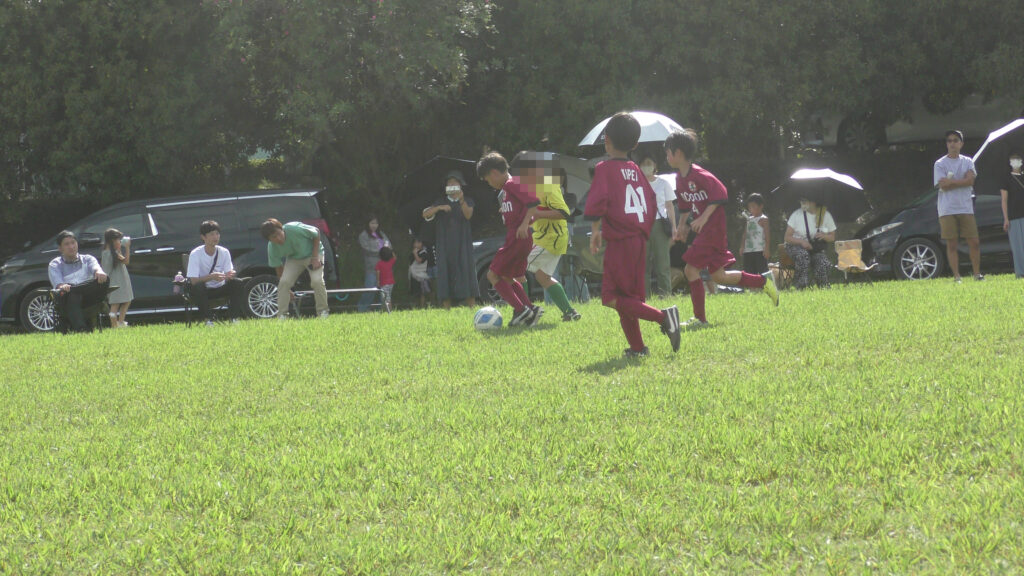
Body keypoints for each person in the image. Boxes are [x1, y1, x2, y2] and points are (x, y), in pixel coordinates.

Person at [585, 112, 681, 357]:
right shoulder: (636, 170)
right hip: (639, 240)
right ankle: (638, 348)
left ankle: (664, 317)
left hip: (621, 242)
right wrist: (643, 232)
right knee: (626, 298)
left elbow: (598, 200)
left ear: (606, 140)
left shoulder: (604, 168)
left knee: (609, 297)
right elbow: (651, 201)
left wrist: (595, 229)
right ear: (636, 144)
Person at [666, 130, 778, 328]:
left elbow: (721, 194)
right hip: (706, 232)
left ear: (679, 153)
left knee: (690, 269)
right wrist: (682, 226)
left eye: (668, 152)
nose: (666, 156)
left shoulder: (700, 174)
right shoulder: (679, 179)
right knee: (719, 276)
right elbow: (684, 207)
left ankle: (700, 319)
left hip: (713, 231)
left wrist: (703, 218)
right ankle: (764, 282)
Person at [477, 152, 543, 326]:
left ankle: (521, 310)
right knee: (507, 277)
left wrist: (524, 223)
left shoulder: (512, 183)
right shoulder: (508, 188)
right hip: (520, 239)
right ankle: (530, 310)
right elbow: (521, 206)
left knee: (492, 275)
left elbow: (534, 202)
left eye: (488, 180)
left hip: (517, 238)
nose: (490, 184)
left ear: (494, 173)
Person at [520, 158, 582, 322]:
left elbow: (564, 213)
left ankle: (525, 312)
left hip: (552, 238)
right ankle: (570, 312)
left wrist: (538, 214)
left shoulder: (549, 187)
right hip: (543, 237)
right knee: (543, 277)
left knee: (518, 266)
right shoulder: (529, 190)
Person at [422, 171, 479, 309]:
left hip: (463, 243)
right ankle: (446, 307)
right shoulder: (440, 201)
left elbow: (468, 215)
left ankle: (471, 305)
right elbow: (425, 214)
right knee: (445, 272)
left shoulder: (467, 200)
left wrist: (461, 199)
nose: (452, 185)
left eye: (455, 182)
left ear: (461, 185)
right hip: (444, 244)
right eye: (449, 183)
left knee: (466, 270)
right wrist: (439, 208)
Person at [934, 129, 982, 282]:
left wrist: (952, 182)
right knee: (952, 244)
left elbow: (970, 181)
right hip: (947, 209)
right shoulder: (940, 164)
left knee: (974, 242)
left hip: (965, 207)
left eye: (955, 140)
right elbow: (942, 185)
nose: (952, 143)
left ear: (961, 143)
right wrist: (961, 182)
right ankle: (957, 277)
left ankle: (977, 274)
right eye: (949, 141)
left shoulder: (968, 161)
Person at [260, 218, 328, 318]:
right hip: (294, 259)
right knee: (283, 283)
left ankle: (323, 312)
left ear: (282, 229)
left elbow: (316, 233)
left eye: (279, 233)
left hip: (313, 254)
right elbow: (278, 268)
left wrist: (315, 257)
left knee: (317, 281)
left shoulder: (294, 228)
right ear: (269, 239)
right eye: (274, 237)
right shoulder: (271, 248)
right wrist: (288, 290)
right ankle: (282, 316)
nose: (278, 238)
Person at [47, 230, 110, 332]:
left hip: (89, 298)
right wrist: (63, 286)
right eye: (67, 244)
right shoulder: (55, 264)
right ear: (60, 248)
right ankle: (81, 329)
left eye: (73, 243)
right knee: (73, 293)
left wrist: (99, 272)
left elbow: (96, 268)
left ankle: (83, 326)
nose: (71, 246)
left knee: (105, 280)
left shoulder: (88, 259)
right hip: (68, 299)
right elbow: (58, 284)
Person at [187, 220, 245, 325]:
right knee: (198, 287)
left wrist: (230, 275)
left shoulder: (224, 252)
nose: (215, 237)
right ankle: (208, 320)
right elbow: (194, 281)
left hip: (220, 288)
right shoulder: (195, 254)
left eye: (217, 233)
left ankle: (234, 318)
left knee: (238, 283)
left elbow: (228, 274)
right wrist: (211, 277)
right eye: (211, 234)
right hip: (204, 291)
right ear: (203, 237)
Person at [638, 152, 676, 296]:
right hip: (642, 225)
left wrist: (674, 227)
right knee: (643, 264)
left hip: (660, 224)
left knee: (662, 263)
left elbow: (669, 206)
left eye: (649, 163)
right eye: (643, 164)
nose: (646, 166)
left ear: (655, 166)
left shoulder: (663, 183)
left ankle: (665, 295)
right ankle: (644, 296)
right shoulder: (636, 183)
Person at [784, 196, 836, 289]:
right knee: (803, 255)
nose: (802, 203)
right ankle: (801, 287)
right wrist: (801, 242)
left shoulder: (825, 215)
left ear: (814, 202)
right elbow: (787, 237)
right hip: (795, 246)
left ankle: (823, 286)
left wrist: (824, 236)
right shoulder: (796, 215)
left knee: (823, 262)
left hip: (814, 248)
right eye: (801, 201)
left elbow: (832, 237)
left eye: (805, 201)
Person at [100, 228, 133, 328]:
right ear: (112, 240)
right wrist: (127, 248)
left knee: (123, 301)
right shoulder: (111, 254)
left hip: (116, 281)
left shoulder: (107, 252)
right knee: (116, 304)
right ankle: (116, 324)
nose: (120, 241)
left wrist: (118, 250)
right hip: (117, 282)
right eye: (118, 239)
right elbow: (126, 261)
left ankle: (119, 323)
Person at [357, 216, 390, 312]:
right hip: (371, 267)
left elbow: (388, 245)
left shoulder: (381, 234)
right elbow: (367, 249)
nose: (374, 225)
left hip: (383, 266)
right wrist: (382, 252)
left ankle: (382, 309)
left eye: (376, 223)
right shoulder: (363, 235)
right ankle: (362, 308)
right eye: (372, 223)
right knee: (370, 288)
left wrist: (386, 251)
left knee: (383, 289)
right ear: (368, 224)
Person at [1000, 152, 1024, 278]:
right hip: (1014, 217)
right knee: (1017, 246)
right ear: (1009, 162)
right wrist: (1006, 218)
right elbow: (1004, 200)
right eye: (1013, 159)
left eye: (1018, 159)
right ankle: (1020, 273)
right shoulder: (1006, 178)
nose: (1016, 161)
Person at [739, 193, 771, 275]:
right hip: (748, 250)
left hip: (760, 250)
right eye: (749, 207)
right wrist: (742, 247)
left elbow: (767, 235)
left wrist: (767, 249)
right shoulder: (749, 219)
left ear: (761, 206)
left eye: (753, 206)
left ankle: (769, 283)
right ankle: (752, 283)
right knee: (749, 272)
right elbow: (744, 234)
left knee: (763, 271)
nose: (751, 209)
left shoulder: (764, 219)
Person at [409, 238, 433, 307]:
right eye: (415, 243)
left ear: (421, 244)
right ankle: (415, 306)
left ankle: (423, 305)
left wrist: (415, 254)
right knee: (415, 292)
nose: (415, 244)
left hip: (421, 275)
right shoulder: (412, 253)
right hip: (413, 274)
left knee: (422, 292)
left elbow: (419, 261)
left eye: (417, 243)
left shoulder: (424, 253)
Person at [376, 245, 396, 311]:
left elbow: (378, 273)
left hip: (384, 284)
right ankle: (384, 310)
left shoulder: (379, 264)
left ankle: (390, 312)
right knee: (387, 297)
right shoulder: (390, 262)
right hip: (391, 283)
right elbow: (395, 258)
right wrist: (391, 250)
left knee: (387, 299)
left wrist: (378, 282)